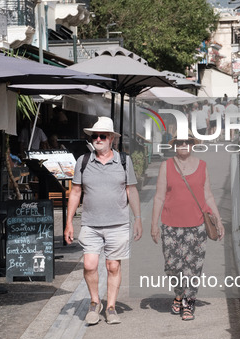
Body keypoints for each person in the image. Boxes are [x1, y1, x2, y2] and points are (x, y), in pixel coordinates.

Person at [64, 116, 143, 325]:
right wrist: (69, 222)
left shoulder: (124, 161)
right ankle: (94, 302)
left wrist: (138, 218)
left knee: (113, 266)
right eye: (95, 136)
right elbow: (75, 193)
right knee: (90, 265)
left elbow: (131, 190)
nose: (97, 139)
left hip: (118, 223)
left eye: (102, 136)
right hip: (91, 223)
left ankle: (110, 307)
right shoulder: (83, 161)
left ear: (111, 139)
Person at [150, 135, 225, 321]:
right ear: (174, 146)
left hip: (196, 226)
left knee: (193, 267)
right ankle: (178, 293)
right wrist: (154, 224)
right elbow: (159, 197)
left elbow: (208, 196)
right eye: (179, 142)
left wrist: (219, 220)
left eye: (187, 142)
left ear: (192, 145)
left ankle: (188, 302)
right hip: (170, 225)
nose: (183, 145)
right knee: (172, 266)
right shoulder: (166, 166)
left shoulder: (202, 166)